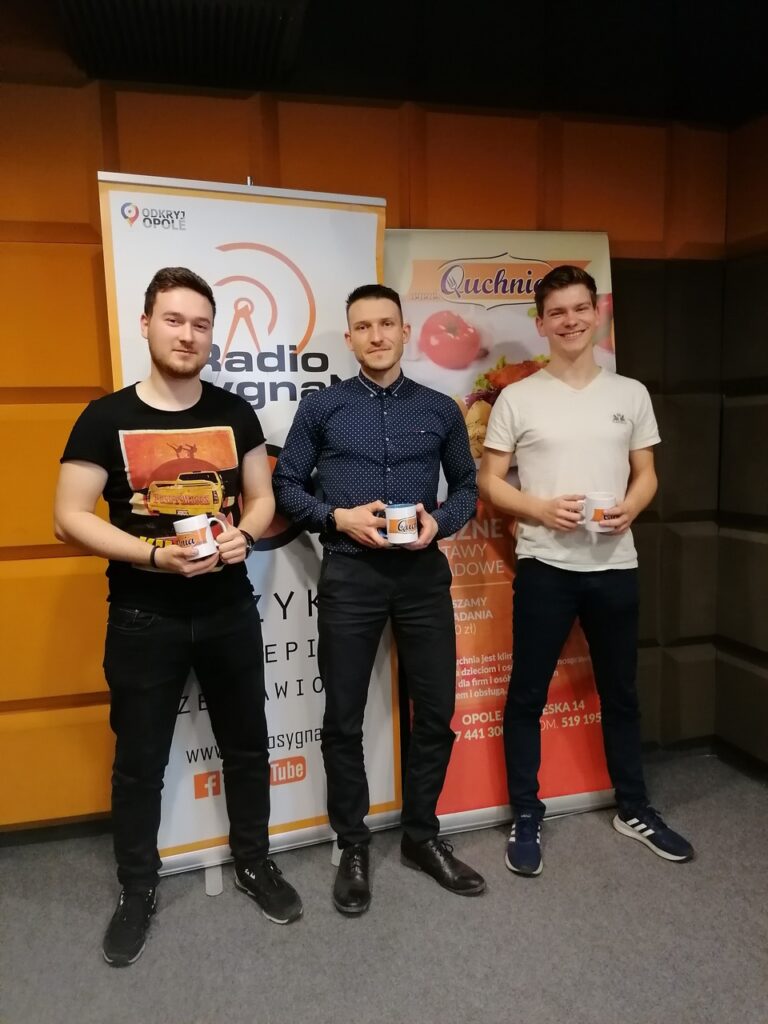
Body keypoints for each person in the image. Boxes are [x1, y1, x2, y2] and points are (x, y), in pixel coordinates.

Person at [54, 267, 302, 968]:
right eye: (173, 320)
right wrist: (154, 556)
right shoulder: (104, 417)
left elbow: (261, 496)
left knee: (247, 747)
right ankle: (138, 887)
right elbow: (67, 517)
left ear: (211, 333)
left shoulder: (234, 412)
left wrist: (244, 534)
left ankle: (254, 861)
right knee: (139, 764)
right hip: (143, 615)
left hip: (228, 609)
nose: (187, 335)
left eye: (199, 323)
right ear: (146, 325)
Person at [273, 283, 485, 914]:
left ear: (404, 329)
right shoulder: (323, 408)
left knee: (437, 712)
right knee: (343, 717)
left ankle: (421, 837)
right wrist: (336, 518)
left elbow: (468, 487)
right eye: (363, 327)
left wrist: (439, 523)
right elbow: (286, 484)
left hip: (422, 576)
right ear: (350, 337)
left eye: (386, 324)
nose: (376, 336)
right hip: (350, 575)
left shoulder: (441, 408)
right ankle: (353, 844)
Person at [478, 264, 694, 876]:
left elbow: (646, 473)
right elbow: (490, 482)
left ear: (597, 314)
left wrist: (634, 505)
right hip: (545, 565)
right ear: (542, 323)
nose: (570, 321)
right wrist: (540, 508)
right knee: (527, 693)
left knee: (621, 692)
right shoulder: (517, 398)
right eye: (557, 312)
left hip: (615, 565)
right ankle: (526, 812)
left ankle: (634, 807)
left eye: (580, 309)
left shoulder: (631, 394)